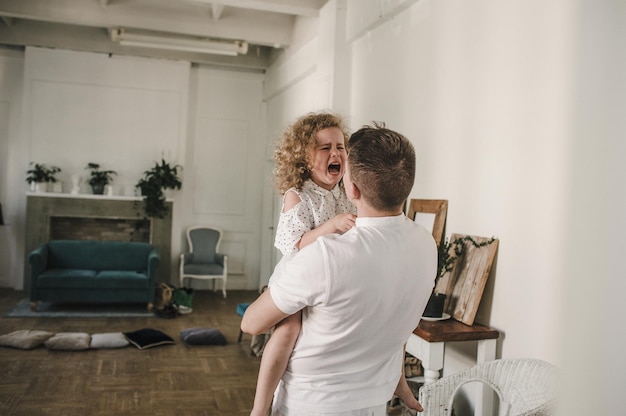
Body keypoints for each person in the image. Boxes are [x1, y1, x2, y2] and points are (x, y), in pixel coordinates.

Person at [242, 123, 437, 415]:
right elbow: (393, 320)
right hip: (374, 402)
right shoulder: (426, 245)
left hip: (313, 405)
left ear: (353, 188)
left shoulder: (327, 257)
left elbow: (251, 323)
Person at [250, 112, 358, 415]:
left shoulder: (345, 195)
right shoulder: (298, 196)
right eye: (325, 148)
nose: (335, 153)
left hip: (333, 275)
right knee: (287, 330)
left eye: (340, 146)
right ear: (304, 158)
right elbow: (293, 244)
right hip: (298, 275)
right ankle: (261, 406)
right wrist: (331, 226)